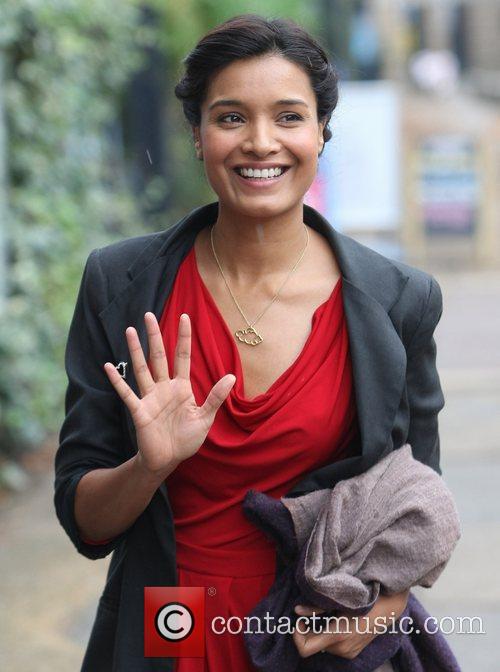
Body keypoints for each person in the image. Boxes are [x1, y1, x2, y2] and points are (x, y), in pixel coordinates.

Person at [54, 14, 445, 672]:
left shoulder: (399, 299)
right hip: (170, 629)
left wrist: (385, 606)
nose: (261, 143)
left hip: (317, 636)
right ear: (198, 136)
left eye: (289, 117)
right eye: (231, 117)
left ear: (322, 132)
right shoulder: (120, 284)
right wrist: (149, 466)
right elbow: (86, 522)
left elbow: (418, 501)